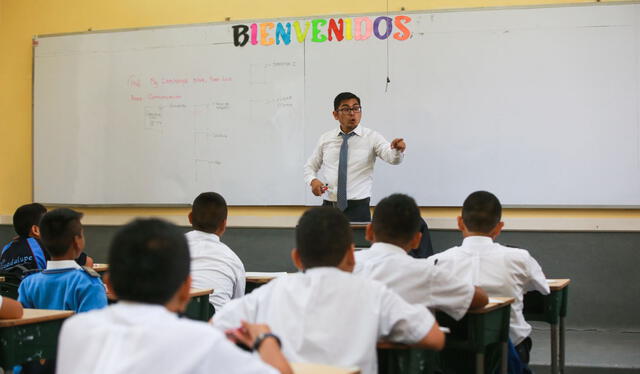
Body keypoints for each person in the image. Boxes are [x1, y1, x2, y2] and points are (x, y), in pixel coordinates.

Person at [213, 207, 445, 374]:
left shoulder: (272, 291)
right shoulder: (374, 293)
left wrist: (258, 336)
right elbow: (434, 338)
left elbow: (214, 326)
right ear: (352, 255)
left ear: (296, 258)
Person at [56, 218, 292, 374]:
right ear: (185, 289)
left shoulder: (75, 330)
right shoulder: (202, 341)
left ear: (109, 285)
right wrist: (264, 338)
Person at [431, 191, 550, 373]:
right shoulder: (519, 258)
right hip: (508, 354)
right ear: (499, 227)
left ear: (460, 223)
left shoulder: (436, 262)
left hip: (453, 355)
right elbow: (544, 289)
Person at [354, 193, 488, 320]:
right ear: (417, 240)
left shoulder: (348, 264)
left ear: (369, 231)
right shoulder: (426, 272)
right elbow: (480, 299)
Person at [303, 92, 406, 222]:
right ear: (335, 114)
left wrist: (397, 150)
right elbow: (310, 167)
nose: (352, 113)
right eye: (346, 109)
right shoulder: (326, 139)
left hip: (358, 207)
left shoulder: (372, 137)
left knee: (357, 242)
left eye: (356, 108)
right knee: (327, 242)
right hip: (329, 206)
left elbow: (392, 158)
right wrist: (313, 181)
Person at [17, 208, 107, 313]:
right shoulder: (89, 283)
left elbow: (22, 323)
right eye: (81, 234)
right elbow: (95, 326)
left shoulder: (28, 284)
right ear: (77, 241)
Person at [186, 192, 245, 313]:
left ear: (190, 218)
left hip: (173, 324)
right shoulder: (234, 261)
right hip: (216, 326)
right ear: (224, 224)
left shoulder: (169, 249)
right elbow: (237, 307)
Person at [1, 203, 93, 275]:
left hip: (13, 295)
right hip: (38, 296)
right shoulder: (44, 243)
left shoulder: (7, 248)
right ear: (36, 230)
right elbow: (88, 262)